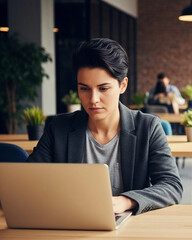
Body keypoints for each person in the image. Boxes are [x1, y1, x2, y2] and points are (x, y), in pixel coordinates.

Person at [27, 38, 183, 215]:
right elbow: (29, 180)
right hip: (70, 223)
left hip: (129, 228)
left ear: (122, 85)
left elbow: (171, 185)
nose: (93, 99)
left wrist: (126, 201)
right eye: (84, 89)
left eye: (103, 88)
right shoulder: (58, 128)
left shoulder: (147, 127)